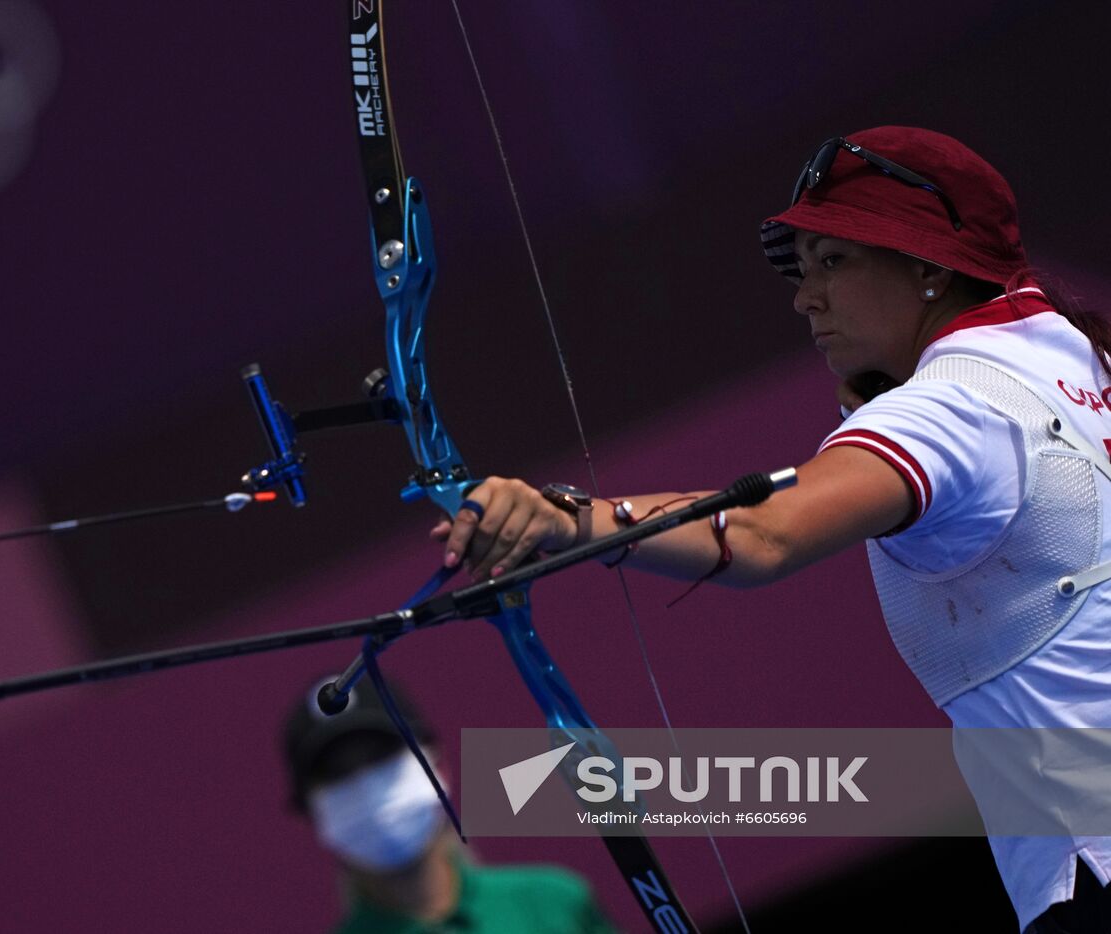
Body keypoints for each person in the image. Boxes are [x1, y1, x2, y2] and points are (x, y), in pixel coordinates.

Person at [432, 127, 1111, 933]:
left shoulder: (951, 408)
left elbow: (762, 535)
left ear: (930, 266)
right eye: (804, 264)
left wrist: (563, 520)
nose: (804, 295)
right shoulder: (1066, 353)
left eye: (834, 261)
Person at [282, 675, 618, 933]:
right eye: (339, 775)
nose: (369, 787)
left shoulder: (554, 904)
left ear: (439, 765)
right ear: (310, 817)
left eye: (381, 757)